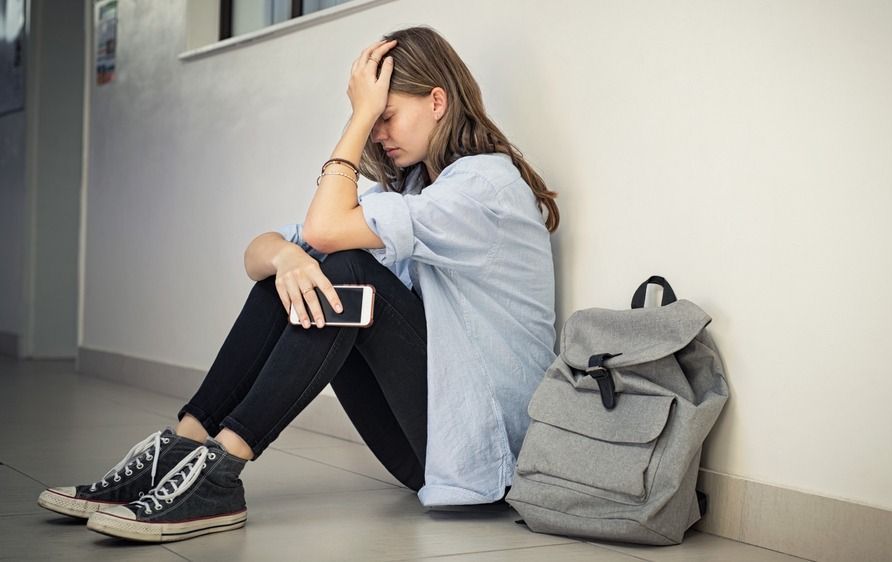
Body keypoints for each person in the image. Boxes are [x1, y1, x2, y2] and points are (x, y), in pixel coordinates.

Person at [36, 25, 560, 543]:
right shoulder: (416, 189)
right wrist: (286, 258)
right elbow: (258, 253)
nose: (378, 133)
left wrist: (357, 117)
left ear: (437, 101)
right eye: (372, 121)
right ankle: (182, 448)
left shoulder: (484, 186)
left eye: (385, 117)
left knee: (346, 271)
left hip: (486, 455)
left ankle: (220, 472)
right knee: (289, 276)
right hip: (431, 450)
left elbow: (325, 230)